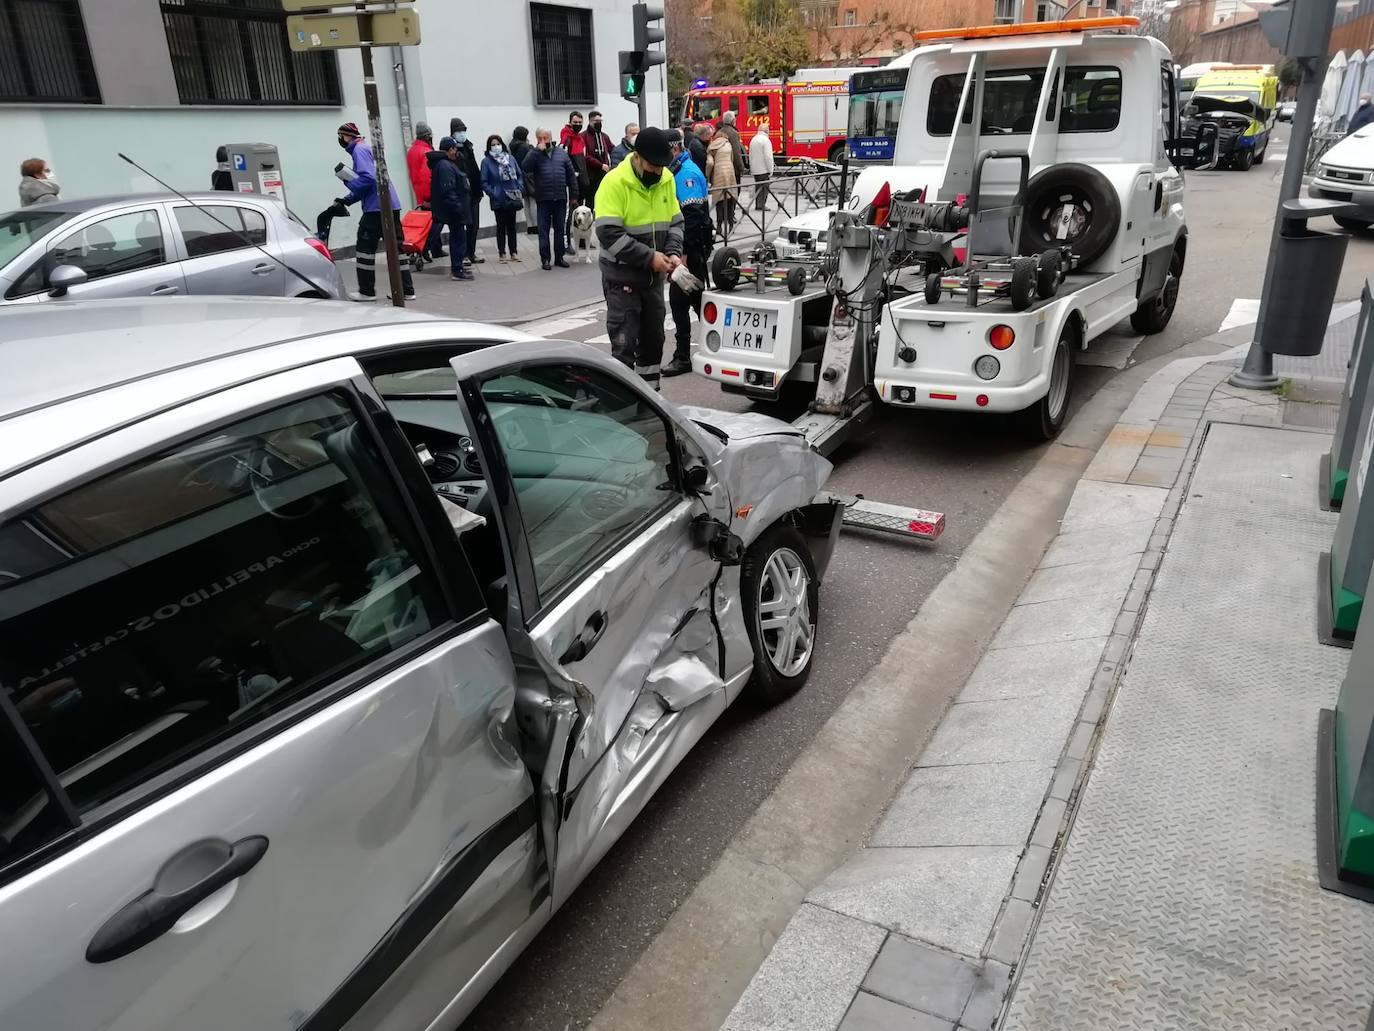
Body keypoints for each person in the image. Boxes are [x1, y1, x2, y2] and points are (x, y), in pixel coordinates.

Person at [594, 126, 684, 392]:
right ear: (637, 156)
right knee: (624, 345)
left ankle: (650, 399)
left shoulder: (665, 178)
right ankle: (623, 402)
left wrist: (673, 253)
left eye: (661, 166)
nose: (658, 171)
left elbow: (676, 222)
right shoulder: (614, 182)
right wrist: (649, 258)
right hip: (623, 279)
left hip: (652, 281)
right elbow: (608, 234)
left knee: (654, 342)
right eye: (653, 165)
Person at [333, 122, 415, 300]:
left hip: (376, 208)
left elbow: (368, 180)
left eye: (341, 136)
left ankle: (366, 291)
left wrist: (347, 182)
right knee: (396, 248)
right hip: (390, 203)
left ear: (347, 136)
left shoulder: (359, 151)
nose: (340, 140)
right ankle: (407, 290)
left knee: (364, 248)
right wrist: (347, 199)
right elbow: (370, 182)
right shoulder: (368, 149)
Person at [666, 130, 712, 378]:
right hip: (689, 250)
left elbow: (692, 218)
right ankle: (713, 346)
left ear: (674, 149)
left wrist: (682, 255)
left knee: (682, 301)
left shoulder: (687, 174)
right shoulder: (678, 170)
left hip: (691, 251)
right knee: (695, 301)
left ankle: (683, 356)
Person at [521, 127, 579, 270]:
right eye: (540, 138)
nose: (543, 141)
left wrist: (574, 196)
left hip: (560, 198)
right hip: (543, 198)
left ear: (550, 138)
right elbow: (525, 167)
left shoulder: (561, 153)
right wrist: (536, 151)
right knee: (543, 230)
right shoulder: (534, 154)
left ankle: (559, 257)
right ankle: (545, 259)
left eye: (545, 138)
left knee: (560, 229)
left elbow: (571, 175)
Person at [428, 136, 473, 281]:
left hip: (455, 210)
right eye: (454, 149)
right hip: (455, 212)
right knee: (458, 239)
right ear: (450, 150)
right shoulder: (445, 166)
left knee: (458, 238)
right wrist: (458, 208)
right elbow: (449, 190)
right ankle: (457, 269)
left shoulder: (445, 164)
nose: (456, 152)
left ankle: (458, 267)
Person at [481, 133, 525, 263]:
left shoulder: (510, 158)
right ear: (489, 147)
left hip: (512, 196)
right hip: (498, 198)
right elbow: (484, 181)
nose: (496, 147)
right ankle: (502, 253)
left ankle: (514, 252)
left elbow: (519, 174)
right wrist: (493, 193)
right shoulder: (486, 162)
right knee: (501, 226)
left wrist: (520, 188)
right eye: (493, 145)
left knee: (512, 226)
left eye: (498, 144)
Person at [406, 122, 444, 260]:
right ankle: (424, 248)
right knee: (437, 221)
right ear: (427, 136)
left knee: (428, 221)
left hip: (418, 191)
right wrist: (429, 197)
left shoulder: (412, 151)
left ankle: (435, 249)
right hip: (428, 193)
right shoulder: (426, 152)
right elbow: (426, 176)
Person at [449, 117, 485, 265]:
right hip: (462, 193)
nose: (462, 133)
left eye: (463, 130)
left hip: (474, 192)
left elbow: (474, 169)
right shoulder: (452, 150)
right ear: (453, 133)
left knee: (473, 225)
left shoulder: (469, 147)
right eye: (458, 130)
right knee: (462, 224)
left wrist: (479, 189)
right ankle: (463, 255)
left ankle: (471, 253)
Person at [706, 125, 739, 234]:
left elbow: (710, 163)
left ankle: (719, 226)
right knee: (730, 200)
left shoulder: (712, 146)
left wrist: (707, 176)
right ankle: (730, 226)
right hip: (730, 175)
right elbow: (732, 159)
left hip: (719, 175)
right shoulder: (728, 145)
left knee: (719, 202)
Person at [582, 110, 615, 208]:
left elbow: (612, 150)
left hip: (604, 173)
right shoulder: (583, 136)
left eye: (600, 121)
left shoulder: (604, 136)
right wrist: (600, 165)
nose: (599, 123)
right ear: (590, 121)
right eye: (596, 121)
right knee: (590, 200)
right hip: (590, 175)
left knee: (603, 198)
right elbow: (585, 156)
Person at [509, 125, 539, 235]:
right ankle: (536, 226)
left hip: (519, 177)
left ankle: (529, 226)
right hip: (530, 177)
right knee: (533, 201)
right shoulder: (526, 147)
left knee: (526, 202)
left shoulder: (513, 147)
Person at [750, 118, 775, 213]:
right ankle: (761, 205)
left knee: (758, 188)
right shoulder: (765, 140)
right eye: (768, 129)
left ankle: (758, 204)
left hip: (756, 169)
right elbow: (768, 157)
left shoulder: (754, 139)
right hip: (763, 169)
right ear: (766, 130)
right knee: (764, 188)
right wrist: (770, 169)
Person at [717, 109, 746, 184]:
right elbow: (736, 152)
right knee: (735, 191)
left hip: (720, 168)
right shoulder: (734, 133)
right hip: (732, 168)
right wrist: (741, 167)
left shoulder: (719, 132)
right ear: (733, 120)